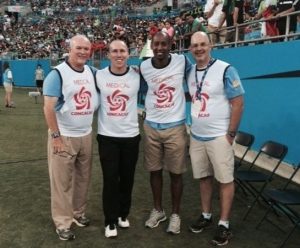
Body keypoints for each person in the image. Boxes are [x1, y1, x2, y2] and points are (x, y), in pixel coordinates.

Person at [187, 31, 244, 246]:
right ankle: (207, 215)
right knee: (204, 177)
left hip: (220, 136)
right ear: (190, 49)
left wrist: (230, 134)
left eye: (203, 44)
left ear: (210, 45)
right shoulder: (191, 72)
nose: (199, 48)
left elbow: (238, 102)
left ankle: (224, 224)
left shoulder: (226, 69)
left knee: (225, 180)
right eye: (195, 45)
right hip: (197, 136)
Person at [43, 34, 99, 241]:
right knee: (62, 183)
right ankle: (62, 222)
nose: (83, 52)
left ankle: (78, 213)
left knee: (83, 180)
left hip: (85, 135)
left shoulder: (92, 72)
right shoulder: (57, 74)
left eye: (87, 48)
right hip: (64, 136)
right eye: (79, 48)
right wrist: (56, 137)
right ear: (70, 48)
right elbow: (48, 108)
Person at [140, 31, 192, 235]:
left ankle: (175, 215)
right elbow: (142, 89)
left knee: (176, 173)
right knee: (154, 171)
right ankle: (158, 210)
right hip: (151, 126)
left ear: (171, 44)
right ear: (151, 46)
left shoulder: (182, 61)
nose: (160, 48)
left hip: (175, 127)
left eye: (164, 44)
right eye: (156, 44)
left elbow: (195, 80)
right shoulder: (144, 66)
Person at [96, 39, 141, 238]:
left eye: (122, 51)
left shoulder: (137, 74)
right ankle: (110, 221)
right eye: (114, 51)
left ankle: (123, 214)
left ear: (128, 54)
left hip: (131, 136)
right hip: (107, 137)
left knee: (128, 179)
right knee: (110, 180)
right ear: (108, 55)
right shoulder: (99, 75)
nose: (119, 54)